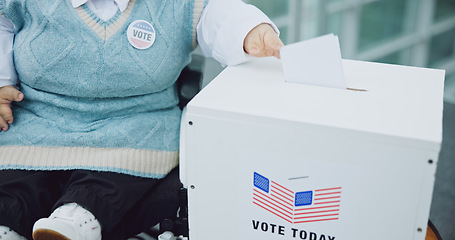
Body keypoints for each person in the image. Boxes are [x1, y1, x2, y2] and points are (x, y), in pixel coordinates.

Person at [0, 0, 283, 239]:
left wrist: (249, 30)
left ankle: (79, 217)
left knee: (114, 182)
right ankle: (8, 220)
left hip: (133, 127)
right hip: (39, 121)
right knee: (18, 180)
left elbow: (217, 14)